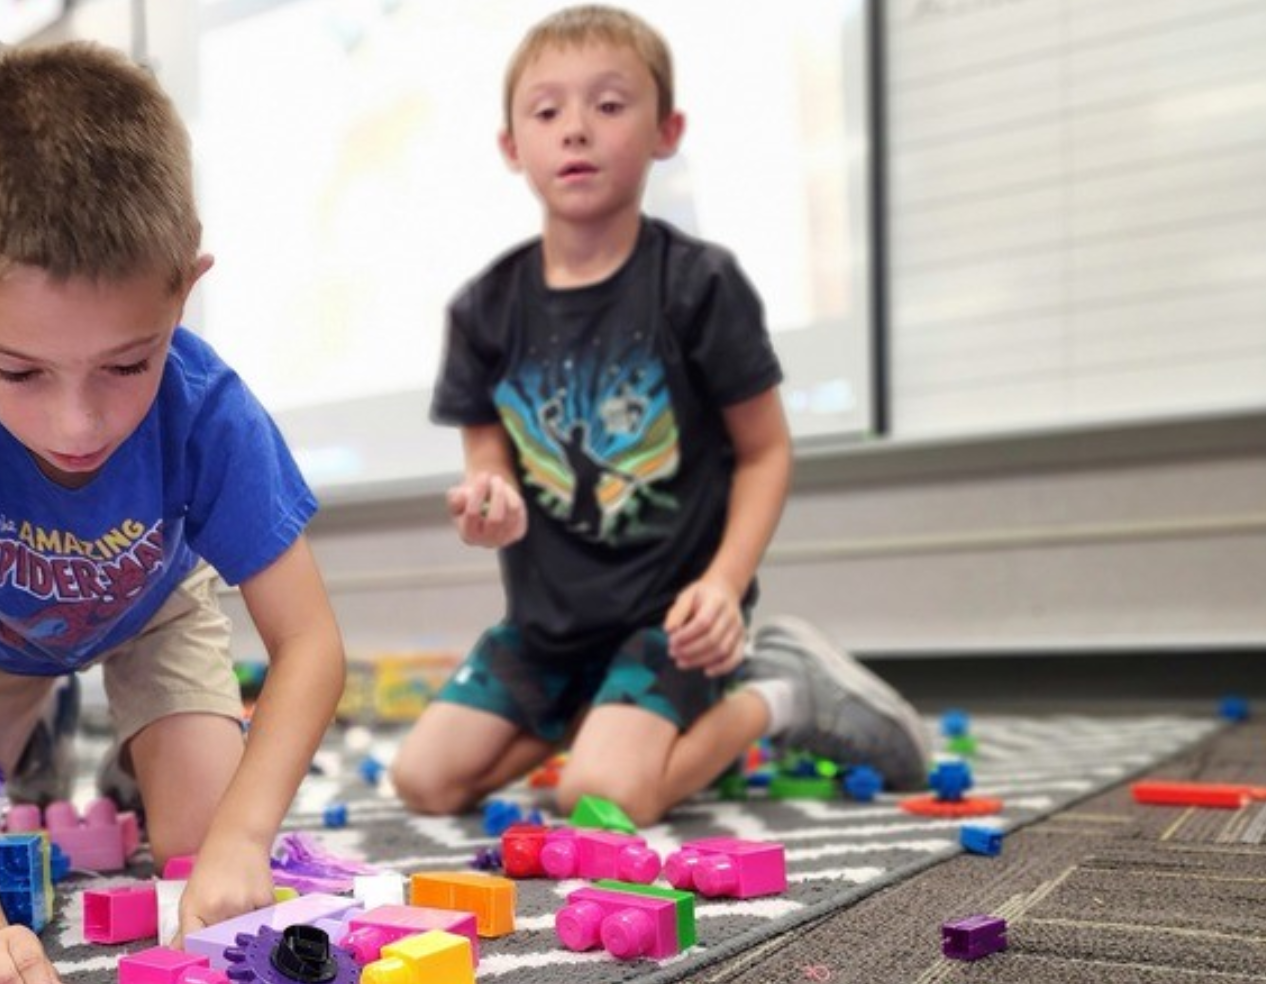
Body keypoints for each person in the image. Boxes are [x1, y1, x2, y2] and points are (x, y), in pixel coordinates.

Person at [0, 42, 344, 984]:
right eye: (18, 372)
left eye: (128, 364)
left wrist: (243, 836)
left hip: (154, 607)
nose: (78, 424)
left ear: (184, 286)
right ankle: (38, 736)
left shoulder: (210, 407)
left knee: (204, 856)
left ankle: (142, 762)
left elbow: (308, 644)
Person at [388, 5, 926, 827]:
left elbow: (765, 452)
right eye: (546, 111)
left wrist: (724, 583)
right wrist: (486, 506)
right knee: (425, 782)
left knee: (601, 797)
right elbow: (487, 465)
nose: (576, 130)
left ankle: (777, 694)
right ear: (510, 147)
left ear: (666, 130)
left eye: (609, 105)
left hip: (671, 620)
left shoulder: (699, 285)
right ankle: (612, 714)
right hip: (545, 629)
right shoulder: (482, 311)